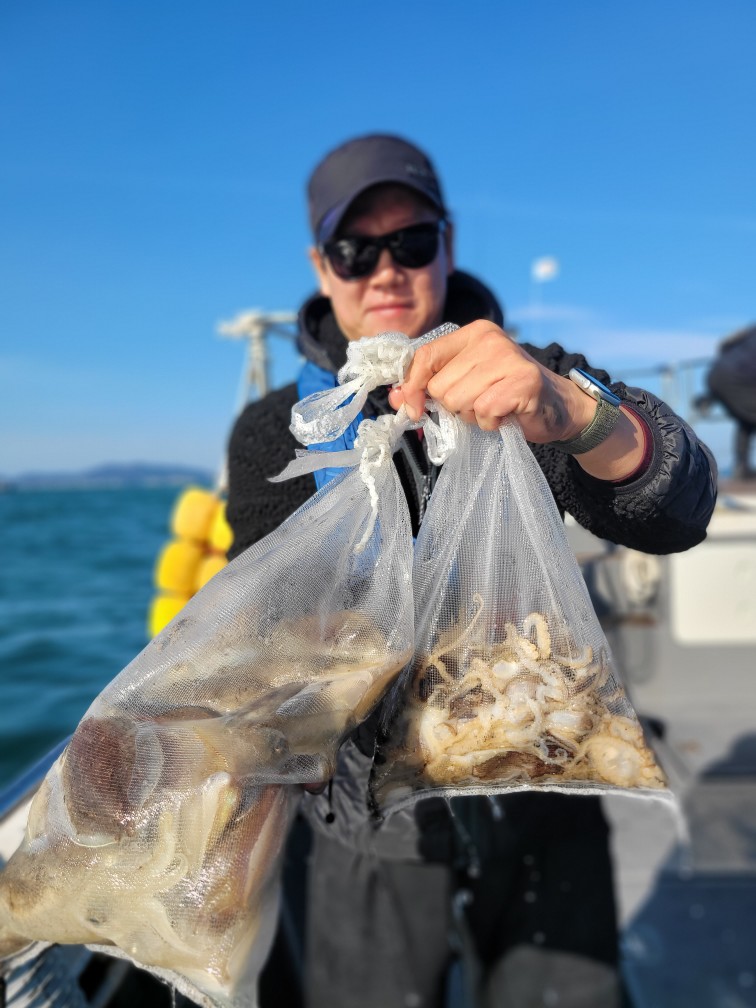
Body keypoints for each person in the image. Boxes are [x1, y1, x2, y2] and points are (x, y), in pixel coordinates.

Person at [226, 133, 717, 1008]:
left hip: (545, 783)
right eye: (355, 249)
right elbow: (270, 623)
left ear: (447, 245)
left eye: (411, 242)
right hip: (363, 828)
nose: (386, 270)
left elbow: (681, 506)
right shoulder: (275, 431)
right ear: (321, 267)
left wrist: (574, 412)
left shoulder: (532, 379)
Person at [703, 324, 756, 480]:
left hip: (716, 373)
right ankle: (742, 468)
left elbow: (725, 343)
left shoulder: (750, 330)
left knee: (746, 418)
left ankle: (742, 468)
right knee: (750, 414)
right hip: (739, 379)